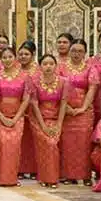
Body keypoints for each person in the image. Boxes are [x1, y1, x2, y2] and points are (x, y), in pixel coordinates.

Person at [0, 47, 31, 187]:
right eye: (4, 57)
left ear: (15, 58)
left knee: (14, 145)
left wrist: (16, 117)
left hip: (17, 116)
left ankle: (12, 178)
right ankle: (3, 178)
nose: (7, 60)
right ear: (0, 59)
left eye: (10, 57)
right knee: (3, 144)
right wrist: (1, 117)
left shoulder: (25, 76)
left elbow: (26, 100)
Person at [60, 40, 100, 186]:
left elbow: (92, 88)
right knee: (67, 143)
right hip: (66, 110)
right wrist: (67, 107)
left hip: (85, 111)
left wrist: (83, 107)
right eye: (74, 50)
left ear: (85, 53)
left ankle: (85, 175)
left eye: (80, 51)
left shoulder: (91, 68)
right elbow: (57, 87)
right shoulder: (61, 67)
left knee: (84, 144)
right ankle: (68, 175)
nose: (76, 54)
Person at [29, 55, 69, 188]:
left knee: (52, 144)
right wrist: (42, 126)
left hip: (55, 119)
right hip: (38, 119)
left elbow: (63, 104)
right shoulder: (34, 81)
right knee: (45, 143)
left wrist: (59, 124)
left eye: (51, 63)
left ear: (56, 66)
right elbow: (34, 105)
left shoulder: (64, 81)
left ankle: (52, 178)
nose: (48, 66)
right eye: (45, 64)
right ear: (40, 66)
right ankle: (43, 177)